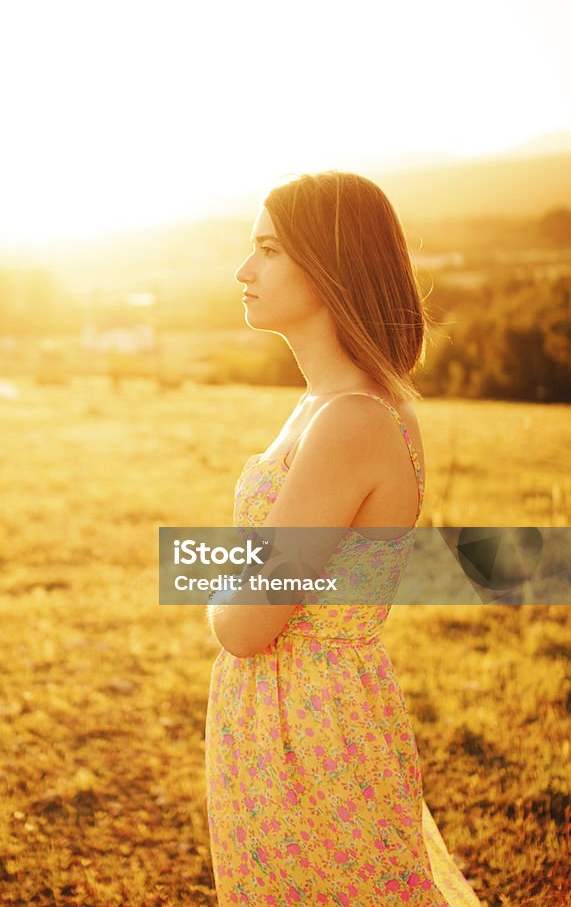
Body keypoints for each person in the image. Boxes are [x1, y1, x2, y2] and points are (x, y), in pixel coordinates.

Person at [204, 171, 484, 906]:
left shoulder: (350, 419)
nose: (243, 269)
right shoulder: (324, 403)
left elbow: (244, 622)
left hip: (312, 728)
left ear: (327, 266)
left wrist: (218, 589)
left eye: (266, 250)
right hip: (287, 712)